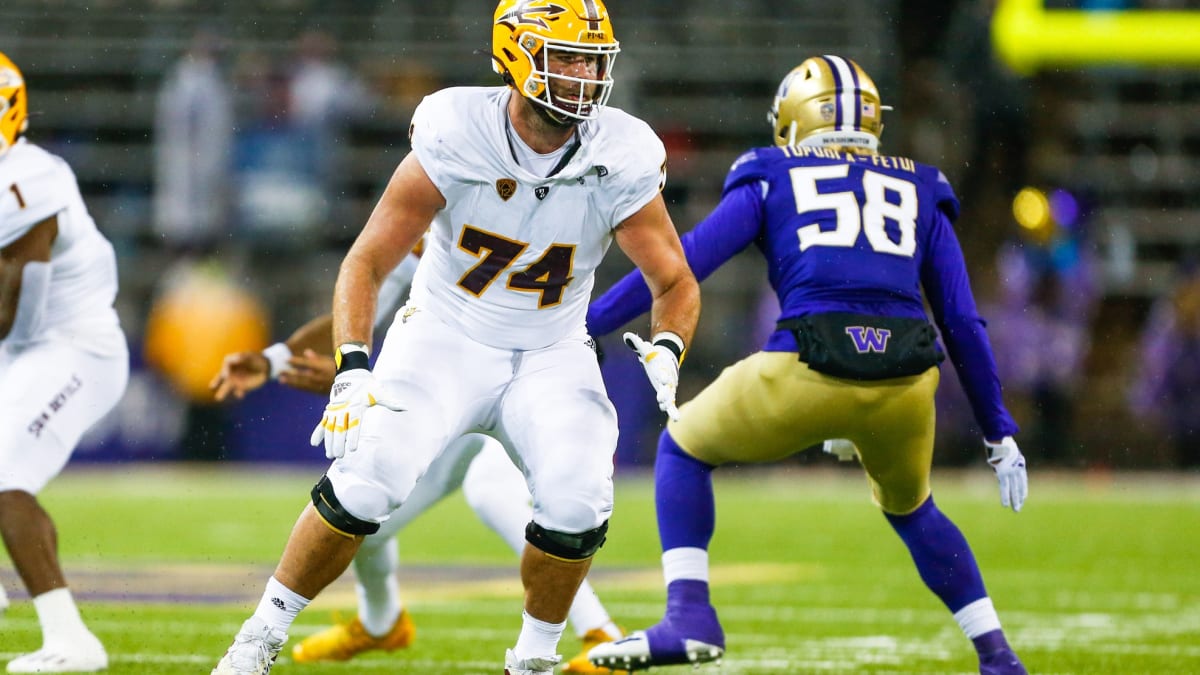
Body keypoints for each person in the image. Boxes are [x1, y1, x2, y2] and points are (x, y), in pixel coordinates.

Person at [211, 1, 700, 673]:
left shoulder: (622, 150)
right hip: (446, 336)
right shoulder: (455, 128)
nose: (584, 74)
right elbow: (370, 263)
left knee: (578, 496)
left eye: (592, 59)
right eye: (566, 57)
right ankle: (258, 639)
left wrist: (670, 349)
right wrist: (353, 366)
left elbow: (674, 279)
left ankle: (532, 659)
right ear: (516, 55)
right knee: (366, 476)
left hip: (552, 350)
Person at [586, 55, 1029, 674]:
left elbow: (682, 267)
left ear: (793, 120)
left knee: (683, 449)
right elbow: (960, 319)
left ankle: (689, 614)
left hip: (808, 364)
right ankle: (998, 655)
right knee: (914, 508)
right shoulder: (921, 184)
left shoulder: (772, 172)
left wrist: (585, 322)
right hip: (905, 380)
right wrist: (997, 430)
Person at [209, 248, 626, 673]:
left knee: (502, 491)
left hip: (530, 384)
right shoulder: (431, 227)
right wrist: (281, 361)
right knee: (365, 505)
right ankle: (380, 622)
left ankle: (598, 633)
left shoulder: (515, 209)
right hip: (453, 390)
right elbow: (360, 301)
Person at [0, 51, 130, 673]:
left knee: (5, 478)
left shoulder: (26, 176)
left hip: (71, 346)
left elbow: (18, 300)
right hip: (27, 346)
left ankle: (71, 640)